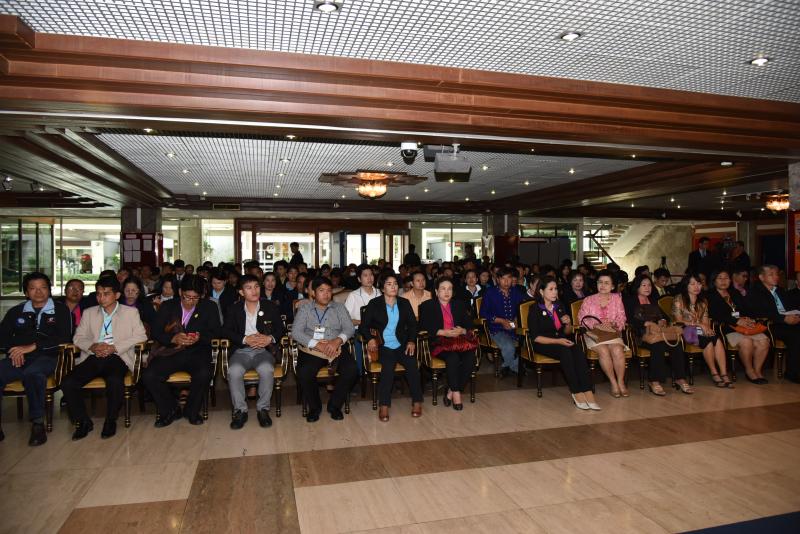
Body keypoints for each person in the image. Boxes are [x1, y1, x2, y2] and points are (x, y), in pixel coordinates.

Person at [62, 276, 147, 440]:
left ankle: (110, 420)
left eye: (106, 294)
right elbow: (78, 337)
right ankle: (83, 421)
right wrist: (93, 346)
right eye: (99, 294)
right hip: (94, 356)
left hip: (118, 356)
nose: (101, 298)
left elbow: (140, 335)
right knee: (68, 382)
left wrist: (114, 347)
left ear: (117, 295)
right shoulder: (89, 313)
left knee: (114, 380)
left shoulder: (130, 312)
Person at [0, 272, 72, 445]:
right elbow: (2, 338)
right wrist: (14, 350)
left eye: (43, 288)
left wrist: (34, 346)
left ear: (49, 290)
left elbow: (64, 339)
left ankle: (38, 424)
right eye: (33, 288)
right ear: (26, 292)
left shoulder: (61, 310)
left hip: (48, 356)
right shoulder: (16, 312)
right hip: (18, 357)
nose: (38, 292)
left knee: (33, 374)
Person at [142, 275, 221, 427]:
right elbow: (156, 332)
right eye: (187, 297)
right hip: (171, 352)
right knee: (149, 375)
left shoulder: (209, 307)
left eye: (195, 298)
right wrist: (173, 338)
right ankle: (171, 410)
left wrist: (199, 337)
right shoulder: (168, 306)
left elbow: (216, 332)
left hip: (197, 351)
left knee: (204, 373)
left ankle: (191, 411)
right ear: (179, 292)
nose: (190, 301)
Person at [222, 275, 285, 429]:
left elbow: (281, 329)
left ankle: (263, 409)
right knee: (234, 371)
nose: (254, 291)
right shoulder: (234, 309)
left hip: (264, 351)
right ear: (241, 292)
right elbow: (225, 330)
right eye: (249, 288)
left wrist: (269, 338)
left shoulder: (269, 306)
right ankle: (240, 411)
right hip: (241, 351)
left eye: (256, 286)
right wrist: (245, 339)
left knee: (266, 369)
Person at [528, 277, 600, 409]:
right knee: (565, 352)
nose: (555, 292)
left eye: (556, 289)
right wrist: (558, 341)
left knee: (578, 350)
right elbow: (536, 337)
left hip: (561, 340)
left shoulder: (559, 306)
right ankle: (576, 391)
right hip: (543, 343)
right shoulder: (535, 309)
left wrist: (568, 324)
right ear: (542, 292)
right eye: (551, 289)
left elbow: (566, 332)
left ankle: (587, 390)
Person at [292, 277, 357, 422]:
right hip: (313, 349)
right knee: (305, 371)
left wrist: (337, 341)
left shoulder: (339, 308)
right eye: (321, 290)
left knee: (352, 369)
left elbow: (349, 328)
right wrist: (317, 344)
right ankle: (315, 408)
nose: (326, 294)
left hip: (336, 348)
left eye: (329, 291)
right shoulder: (305, 309)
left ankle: (334, 405)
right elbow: (296, 332)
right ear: (313, 293)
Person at [359, 274, 422, 421]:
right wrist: (370, 339)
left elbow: (413, 325)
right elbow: (363, 327)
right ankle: (384, 405)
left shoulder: (404, 303)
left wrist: (411, 341)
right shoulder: (374, 304)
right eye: (389, 284)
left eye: (395, 284)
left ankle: (417, 402)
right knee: (388, 366)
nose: (393, 286)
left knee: (412, 364)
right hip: (383, 346)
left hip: (401, 344)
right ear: (382, 288)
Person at [623, 275, 692, 395]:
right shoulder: (630, 301)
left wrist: (662, 320)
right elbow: (628, 319)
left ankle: (680, 378)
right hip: (640, 335)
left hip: (657, 334)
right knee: (658, 346)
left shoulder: (653, 300)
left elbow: (665, 317)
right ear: (637, 287)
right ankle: (654, 381)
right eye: (644, 285)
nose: (647, 288)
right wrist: (645, 323)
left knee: (676, 345)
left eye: (649, 285)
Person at [419, 277, 476, 411]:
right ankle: (456, 394)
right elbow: (422, 326)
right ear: (436, 291)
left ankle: (451, 391)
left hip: (458, 342)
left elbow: (469, 325)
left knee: (470, 358)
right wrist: (443, 332)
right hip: (439, 342)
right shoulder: (427, 306)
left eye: (449, 289)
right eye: (443, 289)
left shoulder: (459, 305)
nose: (446, 292)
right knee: (453, 358)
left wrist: (462, 330)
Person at [707, 270, 770, 384]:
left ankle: (757, 371)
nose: (723, 281)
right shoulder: (709, 295)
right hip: (726, 327)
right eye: (720, 278)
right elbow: (715, 314)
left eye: (726, 278)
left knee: (764, 341)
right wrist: (737, 321)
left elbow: (746, 308)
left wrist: (749, 318)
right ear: (714, 281)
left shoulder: (734, 293)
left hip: (744, 326)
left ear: (730, 280)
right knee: (747, 342)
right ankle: (749, 371)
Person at [673, 273, 732, 387]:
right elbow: (678, 320)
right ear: (686, 286)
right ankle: (714, 373)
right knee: (708, 342)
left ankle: (724, 374)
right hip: (685, 329)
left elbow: (705, 320)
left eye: (699, 284)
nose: (696, 287)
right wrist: (699, 325)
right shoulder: (679, 299)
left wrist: (707, 328)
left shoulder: (703, 301)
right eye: (692, 284)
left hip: (700, 329)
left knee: (717, 340)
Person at [578, 270, 629, 397]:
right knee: (604, 350)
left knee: (617, 350)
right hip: (593, 334)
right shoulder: (588, 300)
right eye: (600, 282)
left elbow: (622, 317)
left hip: (611, 333)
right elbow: (582, 318)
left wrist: (614, 324)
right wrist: (595, 325)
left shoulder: (617, 299)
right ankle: (613, 383)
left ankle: (621, 382)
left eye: (606, 283)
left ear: (612, 286)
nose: (602, 285)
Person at [746, 265, 800, 383]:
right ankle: (792, 372)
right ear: (761, 277)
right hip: (768, 324)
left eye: (776, 274)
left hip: (784, 322)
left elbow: (789, 307)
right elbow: (760, 312)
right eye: (771, 274)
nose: (775, 277)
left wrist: (795, 315)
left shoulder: (780, 290)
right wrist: (783, 319)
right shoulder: (755, 291)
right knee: (796, 335)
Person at [480, 267, 524, 376]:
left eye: (509, 278)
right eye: (503, 278)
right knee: (509, 346)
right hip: (496, 328)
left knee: (529, 344)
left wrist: (516, 320)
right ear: (498, 279)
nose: (506, 281)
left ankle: (508, 367)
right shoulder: (490, 292)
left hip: (513, 327)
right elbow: (483, 313)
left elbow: (521, 309)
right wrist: (501, 321)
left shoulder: (516, 292)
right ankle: (514, 367)